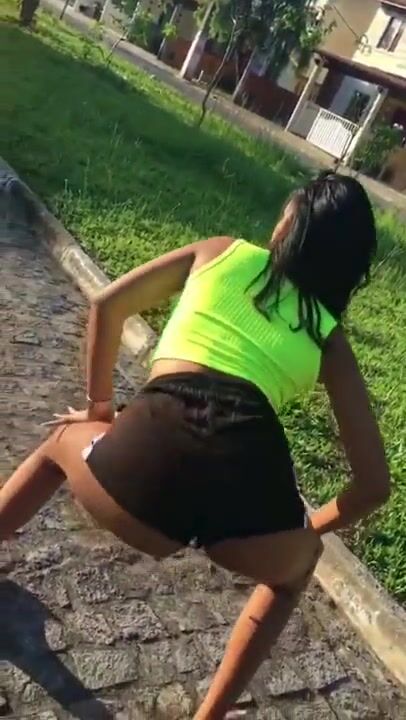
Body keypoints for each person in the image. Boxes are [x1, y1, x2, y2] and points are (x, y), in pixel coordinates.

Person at [0, 172, 390, 719]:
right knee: (296, 571)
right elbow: (374, 486)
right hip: (240, 511)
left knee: (58, 443)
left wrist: (100, 411)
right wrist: (309, 528)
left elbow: (108, 305)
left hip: (133, 477)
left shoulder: (222, 252)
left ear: (289, 226)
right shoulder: (328, 338)